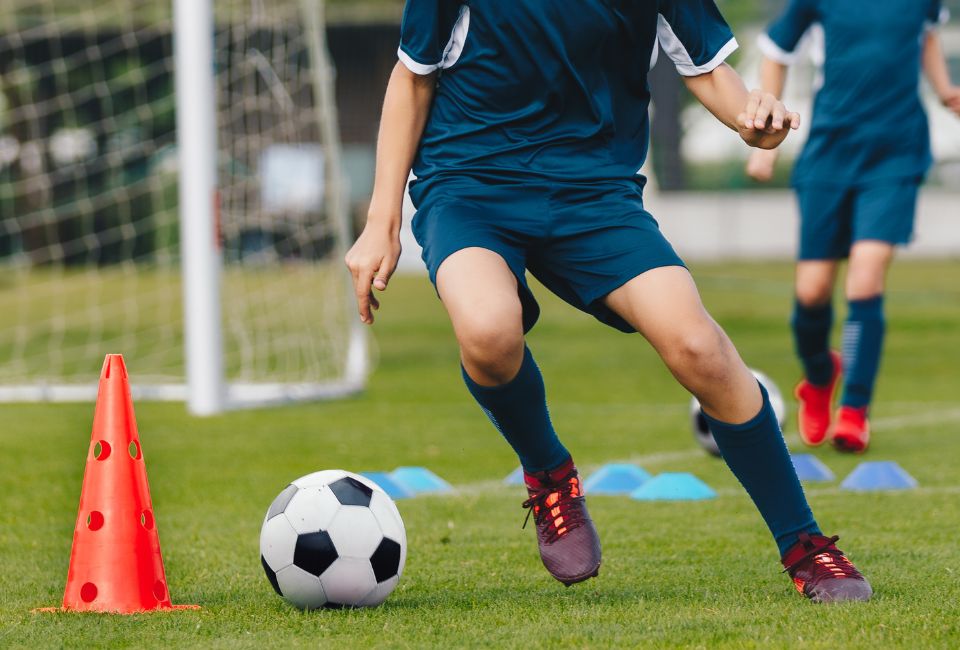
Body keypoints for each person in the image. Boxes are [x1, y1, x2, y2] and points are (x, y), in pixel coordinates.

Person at [346, 0, 871, 602]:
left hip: (594, 195)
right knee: (490, 332)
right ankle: (549, 475)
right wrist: (381, 218)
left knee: (697, 344)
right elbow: (413, 76)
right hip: (471, 184)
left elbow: (705, 69)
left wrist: (752, 121)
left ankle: (805, 544)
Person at [747, 1, 960, 453]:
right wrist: (767, 140)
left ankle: (854, 411)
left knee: (866, 276)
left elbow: (926, 34)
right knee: (812, 291)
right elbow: (775, 51)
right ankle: (820, 377)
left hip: (896, 153)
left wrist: (944, 89)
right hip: (830, 153)